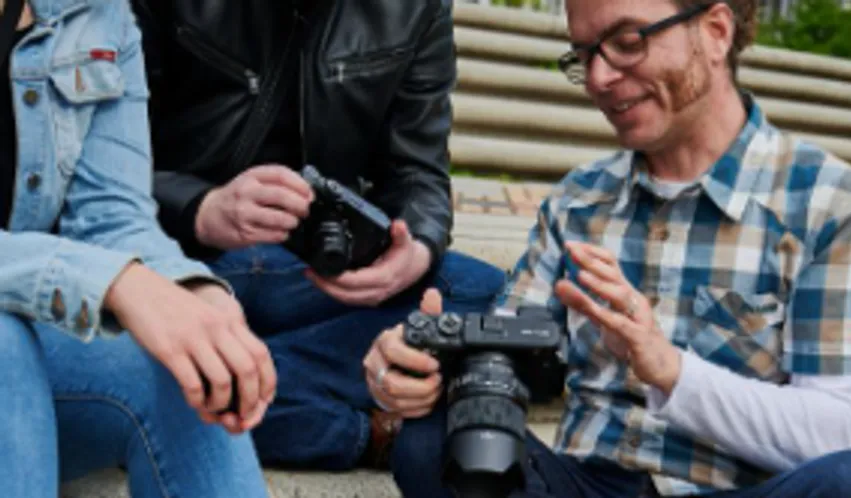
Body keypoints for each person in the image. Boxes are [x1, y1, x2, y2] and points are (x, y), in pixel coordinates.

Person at [367, 0, 851, 496]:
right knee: (430, 438)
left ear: (715, 32)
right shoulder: (577, 201)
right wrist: (426, 368)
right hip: (586, 484)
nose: (599, 77)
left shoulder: (831, 205)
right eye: (584, 53)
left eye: (627, 41)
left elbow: (841, 433)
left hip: (741, 488)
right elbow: (508, 353)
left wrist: (670, 370)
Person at [129, 0, 506, 470]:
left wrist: (415, 247)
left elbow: (419, 173)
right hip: (173, 257)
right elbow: (95, 174)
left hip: (316, 266)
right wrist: (200, 208)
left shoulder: (417, 7)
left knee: (493, 302)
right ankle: (359, 431)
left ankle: (191, 374)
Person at [0, 0, 277, 496]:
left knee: (184, 362)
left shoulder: (98, 12)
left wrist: (190, 292)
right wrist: (117, 283)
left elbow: (111, 211)